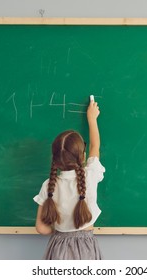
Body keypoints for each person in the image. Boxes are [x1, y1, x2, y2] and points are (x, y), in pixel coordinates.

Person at [33, 99, 105, 260]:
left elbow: (41, 228)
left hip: (58, 247)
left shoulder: (48, 186)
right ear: (82, 156)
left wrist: (61, 233)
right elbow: (95, 147)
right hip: (86, 248)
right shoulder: (90, 176)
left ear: (55, 160)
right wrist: (92, 119)